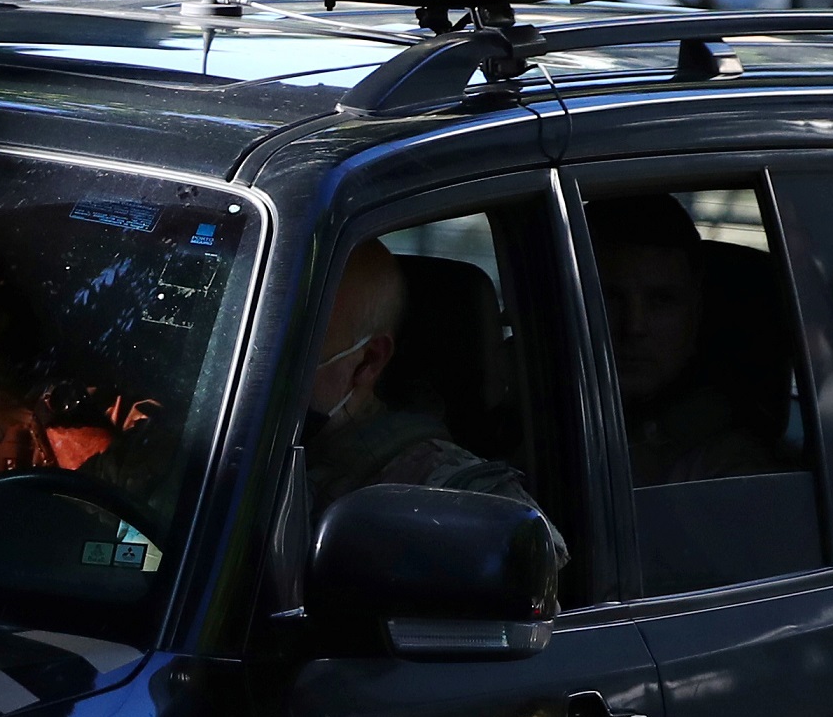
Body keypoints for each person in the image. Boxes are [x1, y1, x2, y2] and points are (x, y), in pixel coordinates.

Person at [302, 238, 544, 512]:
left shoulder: (451, 494)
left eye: (297, 348)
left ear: (369, 360)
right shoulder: (257, 452)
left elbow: (526, 545)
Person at [587, 195, 778, 484]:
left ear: (696, 312)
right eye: (609, 299)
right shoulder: (543, 417)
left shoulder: (726, 469)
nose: (633, 327)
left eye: (661, 301)